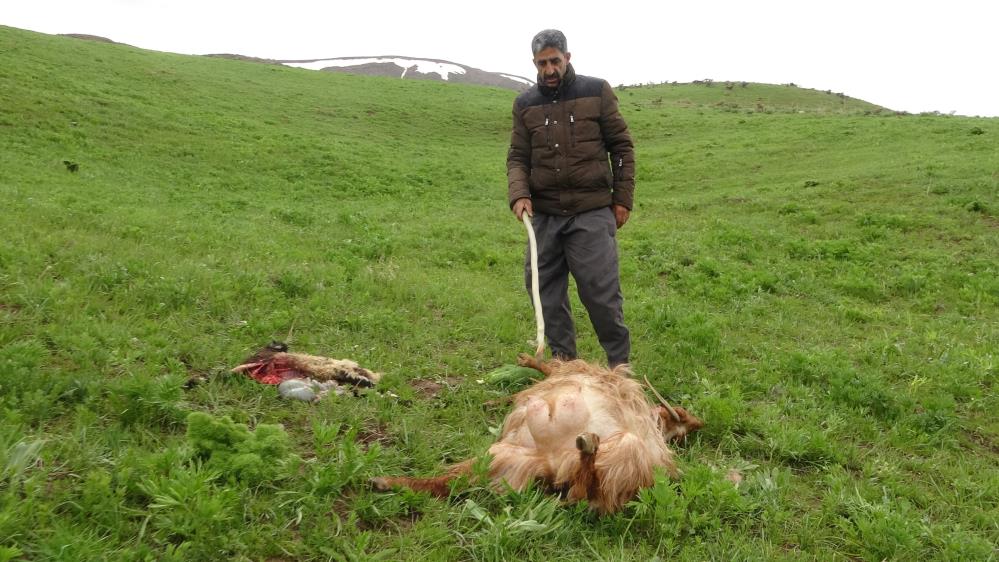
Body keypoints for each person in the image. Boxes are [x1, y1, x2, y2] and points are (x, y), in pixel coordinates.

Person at [507, 29, 635, 367]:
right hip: (545, 216)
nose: (549, 69)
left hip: (590, 212)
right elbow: (518, 157)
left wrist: (622, 199)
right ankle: (564, 364)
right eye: (541, 63)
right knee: (543, 290)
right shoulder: (525, 104)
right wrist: (519, 193)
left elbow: (621, 147)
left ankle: (619, 365)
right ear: (534, 63)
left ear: (567, 57)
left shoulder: (596, 91)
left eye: (554, 61)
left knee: (600, 294)